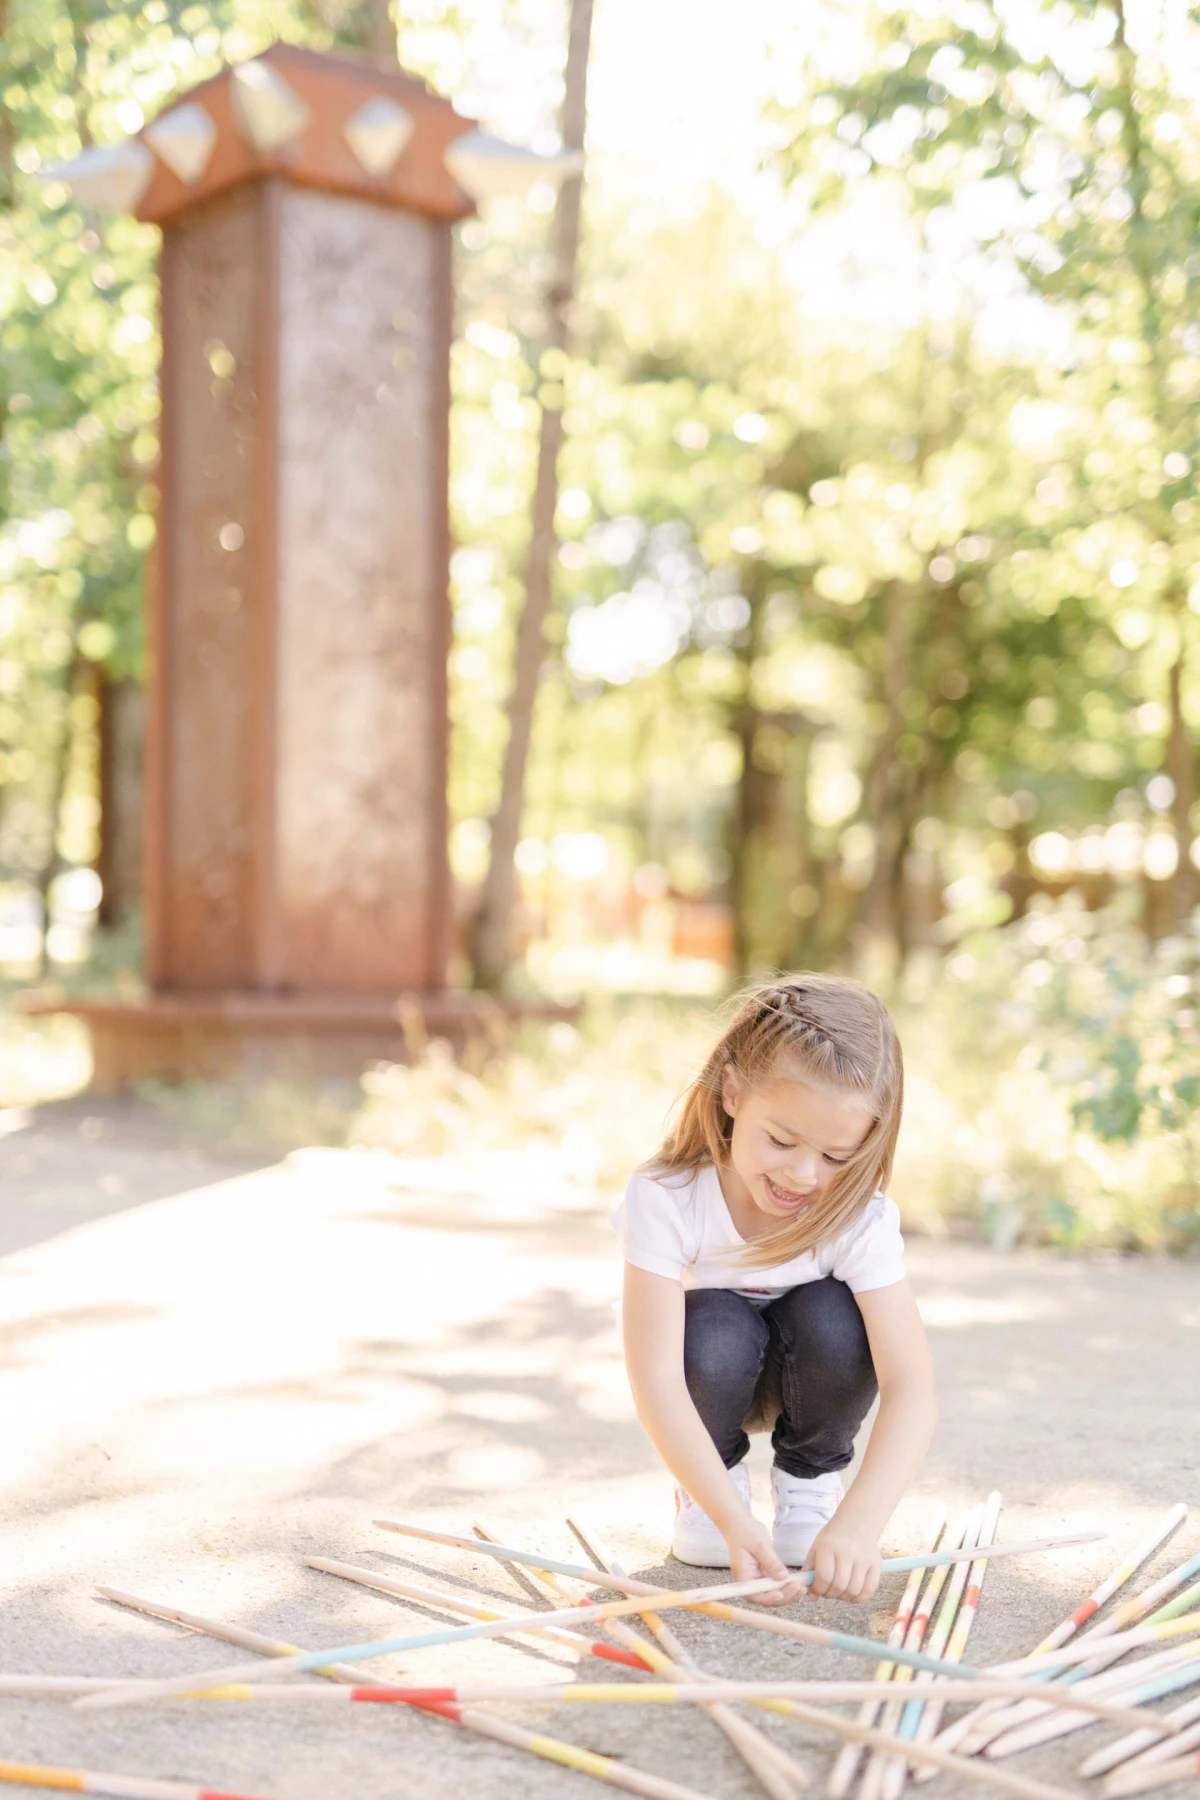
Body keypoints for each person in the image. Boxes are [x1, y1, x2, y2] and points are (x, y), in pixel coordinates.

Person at [614, 973, 936, 1607]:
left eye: (837, 1156)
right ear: (733, 1092)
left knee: (837, 1317)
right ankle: (712, 1488)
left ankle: (810, 1482)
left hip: (812, 1379)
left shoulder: (859, 1218)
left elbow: (912, 1386)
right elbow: (656, 1381)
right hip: (711, 1379)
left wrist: (860, 1526)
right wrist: (732, 1522)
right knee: (714, 1323)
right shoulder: (666, 1197)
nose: (803, 1174)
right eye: (781, 1141)